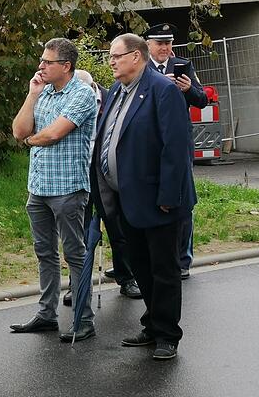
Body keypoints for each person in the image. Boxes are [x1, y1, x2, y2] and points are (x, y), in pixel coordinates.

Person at [92, 33, 196, 360]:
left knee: (164, 269)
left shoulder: (162, 90)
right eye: (110, 56)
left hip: (158, 199)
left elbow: (176, 148)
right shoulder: (116, 93)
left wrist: (168, 195)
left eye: (116, 56)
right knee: (141, 266)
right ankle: (152, 324)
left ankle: (167, 334)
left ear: (136, 57)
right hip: (126, 199)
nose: (111, 61)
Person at [10, 38, 98, 342]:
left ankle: (83, 319)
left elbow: (53, 134)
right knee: (44, 253)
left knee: (74, 253)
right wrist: (32, 95)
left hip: (68, 188)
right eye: (42, 61)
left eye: (48, 62)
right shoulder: (43, 91)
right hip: (38, 188)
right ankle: (46, 314)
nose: (41, 66)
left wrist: (32, 139)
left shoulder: (82, 94)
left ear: (66, 66)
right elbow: (19, 130)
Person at [68, 70, 141, 304]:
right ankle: (77, 285)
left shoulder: (112, 99)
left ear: (92, 87)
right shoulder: (68, 101)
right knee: (81, 233)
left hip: (106, 175)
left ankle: (127, 277)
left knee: (117, 228)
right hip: (79, 174)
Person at [145, 23, 207, 280]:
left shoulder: (183, 66)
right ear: (148, 44)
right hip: (149, 145)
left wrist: (187, 88)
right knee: (150, 200)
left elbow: (202, 100)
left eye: (168, 43)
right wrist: (159, 84)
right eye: (160, 43)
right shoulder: (141, 69)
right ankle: (153, 257)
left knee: (182, 203)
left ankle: (182, 260)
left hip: (178, 145)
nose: (165, 48)